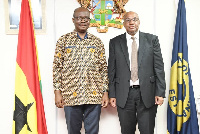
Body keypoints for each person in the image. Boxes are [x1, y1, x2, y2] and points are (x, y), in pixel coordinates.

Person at [53, 7, 109, 134]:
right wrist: (57, 92)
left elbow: (103, 68)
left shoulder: (97, 42)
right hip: (71, 94)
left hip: (93, 94)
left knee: (92, 131)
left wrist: (105, 92)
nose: (83, 21)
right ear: (73, 20)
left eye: (86, 18)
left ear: (89, 21)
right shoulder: (63, 40)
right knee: (73, 131)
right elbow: (57, 67)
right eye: (79, 18)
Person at [108, 11, 166, 134]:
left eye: (134, 19)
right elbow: (111, 70)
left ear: (139, 22)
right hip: (124, 94)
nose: (131, 22)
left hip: (147, 93)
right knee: (126, 131)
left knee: (147, 131)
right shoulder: (115, 42)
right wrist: (112, 94)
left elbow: (159, 68)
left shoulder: (152, 40)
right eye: (128, 20)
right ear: (124, 23)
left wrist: (160, 92)